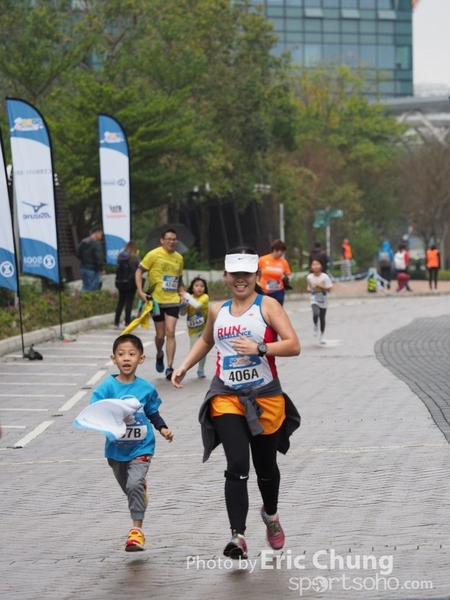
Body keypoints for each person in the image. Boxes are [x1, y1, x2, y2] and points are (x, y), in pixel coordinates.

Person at [171, 246, 301, 560]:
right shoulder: (218, 310)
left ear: (257, 275)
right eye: (234, 274)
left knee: (266, 469)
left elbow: (293, 345)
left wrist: (261, 348)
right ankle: (237, 536)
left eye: (246, 274)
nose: (240, 280)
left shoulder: (267, 306)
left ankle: (270, 514)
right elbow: (206, 340)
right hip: (226, 396)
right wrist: (185, 365)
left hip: (265, 397)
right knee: (238, 464)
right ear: (225, 276)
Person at [90, 333, 173, 552]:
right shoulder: (107, 387)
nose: (126, 358)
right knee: (130, 487)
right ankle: (139, 490)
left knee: (134, 484)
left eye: (131, 354)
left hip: (141, 446)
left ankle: (136, 532)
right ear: (113, 358)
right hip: (116, 450)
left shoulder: (146, 388)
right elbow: (96, 409)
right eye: (121, 354)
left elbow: (153, 412)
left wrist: (163, 429)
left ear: (141, 358)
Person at [135, 229, 185, 380]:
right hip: (156, 301)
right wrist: (140, 291)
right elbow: (139, 272)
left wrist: (182, 293)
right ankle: (159, 353)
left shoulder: (179, 258)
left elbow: (179, 279)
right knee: (160, 335)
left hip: (173, 300)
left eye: (174, 239)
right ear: (162, 240)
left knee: (171, 332)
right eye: (168, 239)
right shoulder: (153, 254)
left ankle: (169, 367)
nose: (171, 242)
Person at [180, 277, 210, 378]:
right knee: (193, 351)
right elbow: (182, 313)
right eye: (196, 286)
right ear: (192, 288)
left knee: (203, 350)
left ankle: (201, 369)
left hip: (204, 328)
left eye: (202, 286)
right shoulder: (189, 298)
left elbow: (197, 305)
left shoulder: (205, 297)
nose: (199, 288)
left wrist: (186, 296)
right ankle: (185, 368)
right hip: (193, 330)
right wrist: (183, 305)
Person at [114, 241, 140, 328]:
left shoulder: (120, 257)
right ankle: (127, 321)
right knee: (129, 302)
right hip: (131, 282)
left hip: (121, 281)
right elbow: (139, 268)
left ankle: (116, 321)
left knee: (120, 301)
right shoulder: (134, 257)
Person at [257, 239, 292, 306]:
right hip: (264, 290)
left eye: (283, 252)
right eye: (281, 252)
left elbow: (288, 274)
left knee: (277, 309)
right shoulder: (262, 260)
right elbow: (256, 273)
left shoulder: (283, 262)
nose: (282, 254)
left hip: (278, 291)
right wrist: (257, 282)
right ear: (275, 250)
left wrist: (287, 279)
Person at [306, 259, 333, 345]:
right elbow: (308, 287)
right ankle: (315, 325)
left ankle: (322, 335)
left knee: (322, 318)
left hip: (323, 300)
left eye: (317, 264)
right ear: (311, 267)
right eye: (314, 264)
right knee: (315, 313)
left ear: (321, 266)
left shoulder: (325, 277)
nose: (316, 266)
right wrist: (310, 289)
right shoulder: (309, 277)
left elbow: (329, 289)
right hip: (314, 299)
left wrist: (321, 287)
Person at [76, 226, 105, 291]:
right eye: (101, 234)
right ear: (96, 233)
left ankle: (79, 296)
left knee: (86, 287)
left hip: (83, 268)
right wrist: (101, 268)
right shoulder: (96, 243)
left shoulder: (83, 242)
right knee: (94, 287)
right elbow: (99, 257)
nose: (101, 236)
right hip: (93, 269)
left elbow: (77, 253)